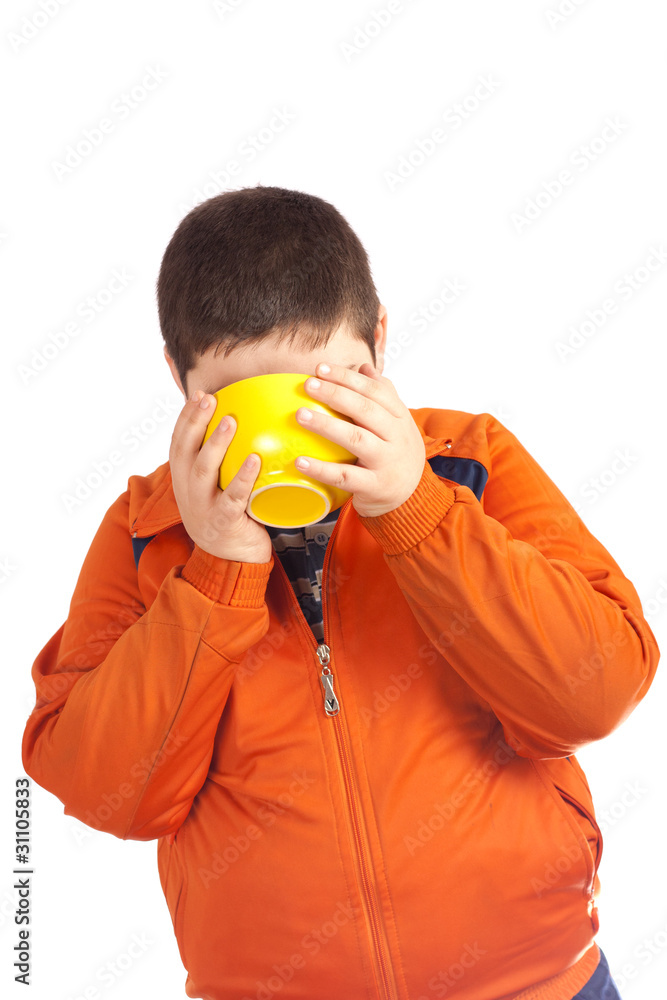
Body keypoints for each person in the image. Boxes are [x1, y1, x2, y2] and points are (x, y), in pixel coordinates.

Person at [21, 185, 658, 1000]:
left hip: (538, 986)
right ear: (179, 380)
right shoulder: (147, 530)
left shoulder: (470, 462)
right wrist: (216, 571)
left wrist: (417, 511)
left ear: (378, 344)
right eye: (244, 405)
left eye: (329, 387)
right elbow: (112, 794)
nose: (299, 436)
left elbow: (592, 696)